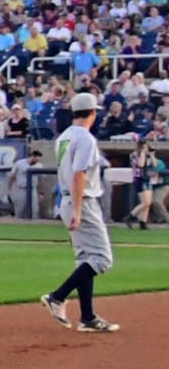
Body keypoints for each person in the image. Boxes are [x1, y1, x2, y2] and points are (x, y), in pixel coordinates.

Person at [40, 93, 118, 333]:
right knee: (102, 259)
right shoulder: (85, 138)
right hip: (82, 201)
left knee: (85, 258)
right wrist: (77, 209)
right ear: (93, 113)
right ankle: (57, 296)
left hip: (67, 199)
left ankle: (88, 317)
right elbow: (79, 174)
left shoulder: (64, 136)